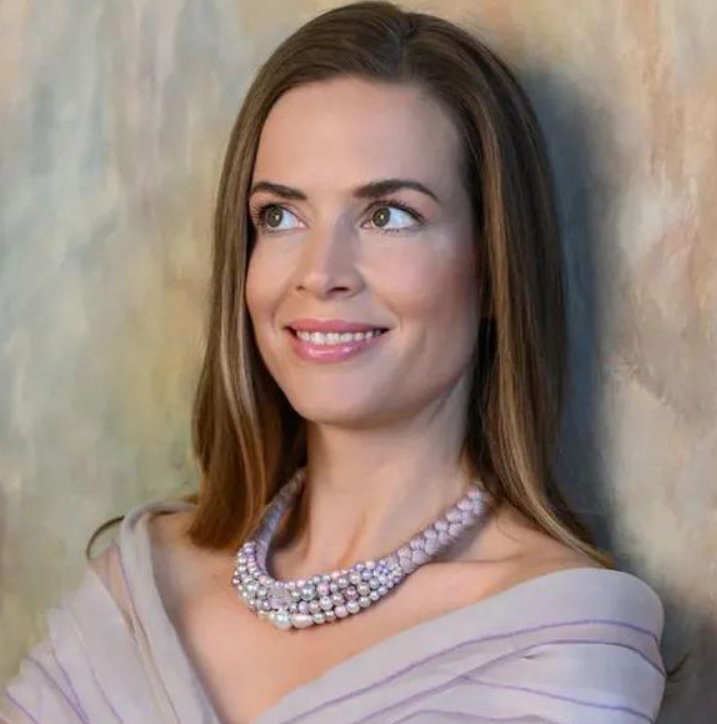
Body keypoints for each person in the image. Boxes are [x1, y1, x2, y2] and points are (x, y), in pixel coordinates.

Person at [2, 2, 666, 722]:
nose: (320, 273)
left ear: (494, 268)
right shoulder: (136, 589)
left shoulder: (558, 643)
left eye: (388, 215)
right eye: (280, 216)